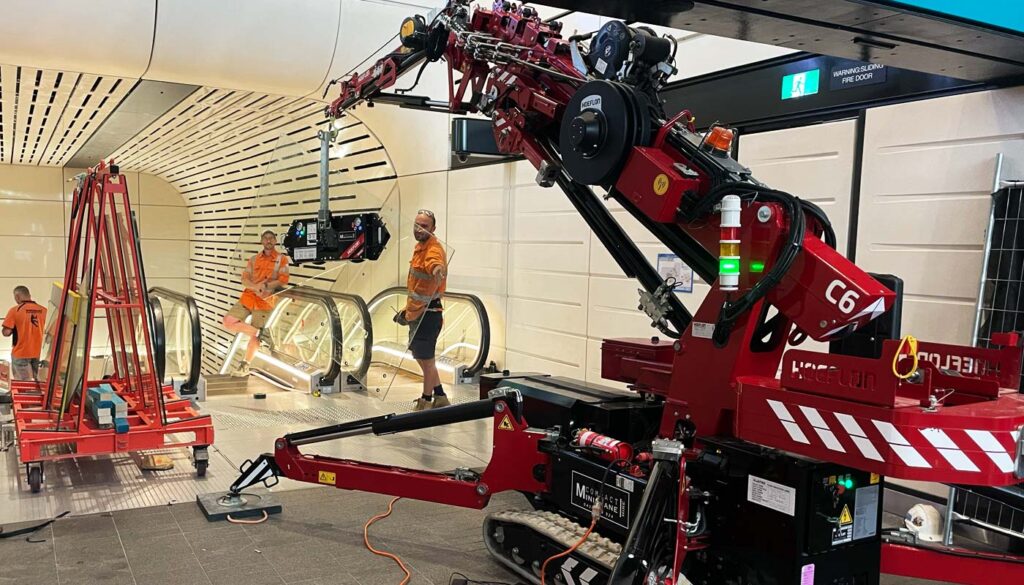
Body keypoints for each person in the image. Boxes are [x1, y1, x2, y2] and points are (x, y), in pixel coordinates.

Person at [395, 209, 448, 411]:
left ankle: (426, 400)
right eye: (417, 225)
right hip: (419, 313)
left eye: (424, 226)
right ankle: (440, 395)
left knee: (426, 360)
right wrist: (407, 312)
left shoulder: (432, 249)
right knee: (421, 357)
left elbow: (435, 265)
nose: (419, 229)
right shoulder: (420, 247)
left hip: (429, 314)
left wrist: (438, 271)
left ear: (433, 228)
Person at [222, 230, 290, 376]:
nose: (268, 240)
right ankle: (261, 333)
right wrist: (255, 287)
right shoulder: (253, 259)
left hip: (266, 301)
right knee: (228, 321)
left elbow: (283, 280)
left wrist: (266, 287)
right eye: (265, 238)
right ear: (261, 241)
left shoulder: (282, 259)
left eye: (271, 238)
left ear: (275, 241)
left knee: (253, 337)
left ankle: (245, 364)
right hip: (249, 297)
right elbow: (244, 279)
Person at [2, 286, 47, 381]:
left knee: (23, 385)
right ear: (29, 296)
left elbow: (6, 332)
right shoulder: (44, 310)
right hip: (37, 353)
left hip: (20, 353)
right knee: (36, 384)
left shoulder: (15, 310)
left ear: (17, 297)